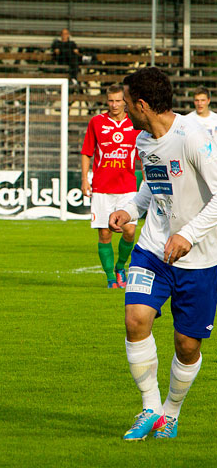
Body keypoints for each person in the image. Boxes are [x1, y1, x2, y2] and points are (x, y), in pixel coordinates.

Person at [109, 67, 217, 441]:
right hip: (153, 249)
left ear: (141, 105)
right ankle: (150, 407)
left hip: (199, 259)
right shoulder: (143, 140)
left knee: (187, 346)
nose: (124, 109)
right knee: (135, 320)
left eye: (127, 103)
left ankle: (170, 413)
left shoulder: (192, 136)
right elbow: (153, 186)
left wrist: (187, 234)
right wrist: (131, 209)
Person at [81, 84, 141, 288]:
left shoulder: (135, 123)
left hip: (127, 187)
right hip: (102, 187)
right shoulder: (96, 122)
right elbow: (87, 151)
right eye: (111, 101)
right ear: (107, 101)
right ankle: (110, 278)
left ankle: (120, 266)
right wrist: (84, 180)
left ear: (125, 101)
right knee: (105, 234)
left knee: (130, 230)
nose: (114, 105)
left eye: (118, 100)